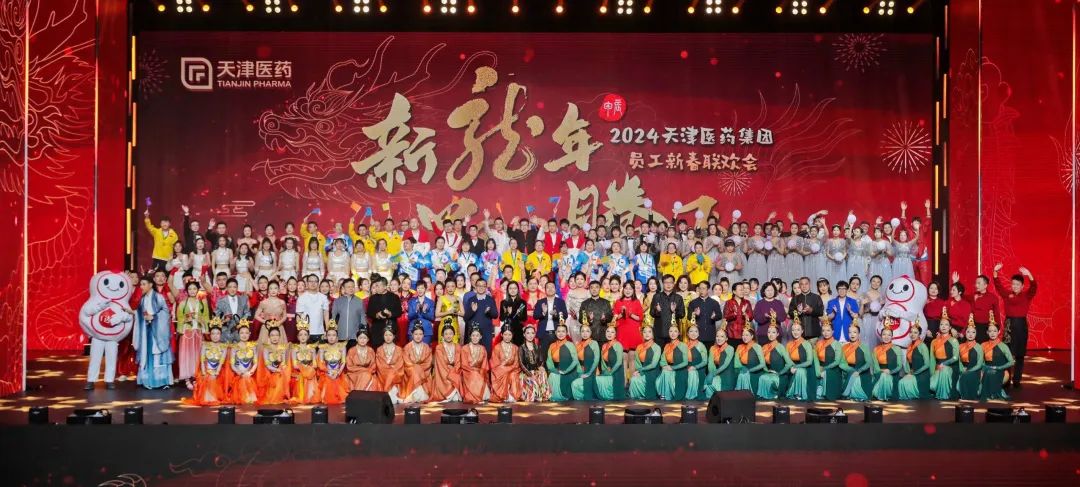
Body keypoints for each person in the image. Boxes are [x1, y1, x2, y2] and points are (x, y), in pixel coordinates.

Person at [993, 264, 1035, 388]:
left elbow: (1034, 287)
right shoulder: (1007, 294)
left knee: (1020, 354)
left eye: (1017, 284)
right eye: (1013, 284)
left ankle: (1017, 379)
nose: (1015, 286)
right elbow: (998, 285)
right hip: (1009, 325)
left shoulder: (1026, 295)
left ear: (1022, 286)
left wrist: (1029, 274)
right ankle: (1006, 379)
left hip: (1021, 325)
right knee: (1007, 353)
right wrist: (995, 271)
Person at [134, 276, 174, 389]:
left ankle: (161, 381)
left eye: (144, 284)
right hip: (146, 331)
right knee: (147, 354)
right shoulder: (142, 299)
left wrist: (153, 317)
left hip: (157, 331)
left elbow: (166, 312)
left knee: (157, 355)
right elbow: (139, 313)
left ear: (151, 285)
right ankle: (147, 380)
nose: (141, 287)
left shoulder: (158, 297)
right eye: (141, 284)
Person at [183, 322, 229, 406]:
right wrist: (204, 372)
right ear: (210, 335)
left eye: (218, 333)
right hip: (206, 370)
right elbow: (202, 360)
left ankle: (214, 397)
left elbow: (221, 362)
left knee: (214, 378)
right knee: (207, 378)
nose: (215, 336)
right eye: (213, 333)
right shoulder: (205, 345)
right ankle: (207, 397)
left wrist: (216, 372)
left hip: (218, 372)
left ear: (220, 335)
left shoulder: (224, 347)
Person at [176, 281, 209, 389]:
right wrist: (187, 319)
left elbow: (206, 317)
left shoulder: (202, 303)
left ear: (198, 290)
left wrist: (204, 326)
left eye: (194, 289)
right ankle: (187, 379)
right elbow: (180, 317)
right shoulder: (183, 303)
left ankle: (196, 377)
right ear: (187, 291)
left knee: (198, 354)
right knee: (186, 355)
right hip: (187, 332)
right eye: (190, 289)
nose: (192, 291)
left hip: (198, 332)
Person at [757, 320, 794, 400]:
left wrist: (780, 373)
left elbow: (789, 363)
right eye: (769, 332)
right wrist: (767, 371)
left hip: (780, 375)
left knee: (768, 379)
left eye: (773, 332)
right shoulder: (764, 347)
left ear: (777, 334)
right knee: (762, 377)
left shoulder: (780, 347)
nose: (770, 334)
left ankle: (774, 393)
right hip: (770, 373)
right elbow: (762, 363)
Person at [899, 322, 934, 400]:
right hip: (913, 372)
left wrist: (915, 373)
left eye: (915, 332)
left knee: (906, 383)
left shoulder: (922, 346)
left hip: (922, 374)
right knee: (901, 382)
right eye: (911, 332)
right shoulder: (909, 346)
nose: (912, 334)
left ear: (919, 334)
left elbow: (927, 364)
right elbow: (907, 362)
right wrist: (908, 372)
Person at [870, 327, 907, 401]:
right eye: (884, 334)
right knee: (883, 376)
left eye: (889, 335)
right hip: (879, 373)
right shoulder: (876, 349)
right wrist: (882, 371)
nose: (886, 337)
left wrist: (890, 371)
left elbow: (899, 366)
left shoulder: (897, 349)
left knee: (885, 376)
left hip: (892, 374)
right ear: (881, 336)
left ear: (892, 337)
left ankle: (881, 395)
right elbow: (875, 367)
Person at [258, 324, 292, 405]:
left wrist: (282, 368)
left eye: (276, 335)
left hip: (280, 372)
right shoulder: (266, 349)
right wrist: (277, 370)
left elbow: (283, 362)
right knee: (277, 376)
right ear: (269, 337)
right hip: (269, 373)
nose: (274, 337)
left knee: (282, 374)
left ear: (279, 336)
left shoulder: (282, 348)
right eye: (272, 335)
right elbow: (267, 365)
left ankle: (281, 395)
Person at [981, 322, 1015, 400]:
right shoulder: (983, 345)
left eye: (995, 331)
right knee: (987, 372)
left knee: (991, 372)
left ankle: (996, 393)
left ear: (999, 332)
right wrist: (984, 367)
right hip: (986, 368)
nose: (992, 333)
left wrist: (999, 368)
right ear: (987, 332)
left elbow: (1011, 362)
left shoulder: (1003, 346)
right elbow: (980, 361)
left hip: (1000, 370)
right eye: (990, 331)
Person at [930, 312, 960, 400]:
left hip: (950, 367)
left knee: (944, 371)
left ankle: (944, 395)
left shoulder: (953, 340)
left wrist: (945, 364)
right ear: (939, 326)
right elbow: (932, 359)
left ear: (950, 327)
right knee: (931, 385)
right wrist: (932, 373)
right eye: (941, 324)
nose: (944, 326)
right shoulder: (934, 341)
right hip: (938, 367)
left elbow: (955, 357)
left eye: (946, 325)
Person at [545, 322, 578, 402]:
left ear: (566, 333)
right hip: (557, 371)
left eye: (563, 331)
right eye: (559, 331)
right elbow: (549, 361)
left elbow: (575, 361)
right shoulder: (552, 345)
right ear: (555, 332)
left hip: (569, 372)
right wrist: (555, 371)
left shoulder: (570, 344)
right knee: (552, 376)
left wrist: (565, 371)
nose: (561, 334)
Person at [228, 321, 260, 404]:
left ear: (249, 334)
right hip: (239, 375)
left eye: (246, 333)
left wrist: (250, 372)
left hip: (249, 375)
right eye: (242, 333)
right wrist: (240, 373)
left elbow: (255, 362)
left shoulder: (253, 346)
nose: (244, 335)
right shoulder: (234, 347)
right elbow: (232, 364)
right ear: (238, 334)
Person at [399, 324, 433, 403]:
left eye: (420, 334)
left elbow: (428, 363)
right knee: (415, 370)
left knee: (417, 370)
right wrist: (416, 368)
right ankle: (414, 394)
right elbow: (406, 363)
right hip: (411, 372)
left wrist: (418, 369)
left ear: (423, 335)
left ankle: (417, 395)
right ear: (412, 334)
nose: (418, 336)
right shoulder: (407, 347)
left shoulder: (426, 347)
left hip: (424, 373)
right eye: (416, 334)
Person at [784, 319, 816, 401]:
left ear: (802, 331)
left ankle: (800, 394)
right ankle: (792, 393)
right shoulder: (788, 344)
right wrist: (791, 367)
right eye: (793, 330)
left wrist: (796, 366)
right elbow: (787, 360)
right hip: (791, 368)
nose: (795, 332)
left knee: (800, 371)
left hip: (806, 368)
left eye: (798, 330)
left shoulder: (806, 344)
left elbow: (809, 362)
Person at [430, 324, 464, 402]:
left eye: (450, 333)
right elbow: (440, 365)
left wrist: (454, 370)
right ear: (442, 335)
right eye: (446, 334)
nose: (448, 336)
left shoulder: (458, 346)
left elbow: (459, 362)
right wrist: (450, 373)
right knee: (451, 378)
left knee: (458, 377)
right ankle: (446, 393)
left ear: (454, 334)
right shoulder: (439, 347)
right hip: (443, 373)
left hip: (455, 371)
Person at [839, 324, 872, 401]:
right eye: (850, 332)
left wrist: (859, 371)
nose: (852, 334)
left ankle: (846, 393)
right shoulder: (844, 347)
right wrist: (850, 370)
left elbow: (868, 363)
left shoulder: (864, 347)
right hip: (847, 371)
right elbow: (841, 363)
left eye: (854, 332)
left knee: (856, 379)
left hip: (861, 372)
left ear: (859, 334)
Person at [366, 278, 402, 348]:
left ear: (385, 286)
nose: (376, 288)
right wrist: (377, 315)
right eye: (375, 286)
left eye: (378, 286)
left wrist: (390, 314)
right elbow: (369, 313)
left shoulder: (394, 297)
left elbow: (399, 312)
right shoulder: (372, 298)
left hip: (391, 328)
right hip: (377, 329)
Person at [649, 274, 685, 345]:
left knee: (673, 352)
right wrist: (657, 311)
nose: (668, 285)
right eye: (666, 282)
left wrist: (674, 311)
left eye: (670, 282)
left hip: (673, 333)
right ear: (662, 283)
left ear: (673, 284)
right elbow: (651, 313)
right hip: (660, 332)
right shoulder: (656, 296)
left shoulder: (678, 298)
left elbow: (682, 314)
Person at [463, 279, 499, 350]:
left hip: (486, 332)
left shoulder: (490, 299)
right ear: (475, 287)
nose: (481, 287)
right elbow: (465, 318)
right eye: (479, 285)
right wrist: (472, 310)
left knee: (487, 351)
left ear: (486, 287)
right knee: (473, 352)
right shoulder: (471, 300)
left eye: (483, 286)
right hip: (474, 333)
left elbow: (495, 315)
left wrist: (489, 311)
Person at [490, 324, 522, 403]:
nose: (507, 337)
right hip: (500, 372)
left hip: (513, 370)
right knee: (505, 374)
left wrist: (508, 369)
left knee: (513, 375)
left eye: (509, 335)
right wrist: (504, 369)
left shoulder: (515, 348)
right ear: (501, 335)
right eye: (505, 334)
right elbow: (494, 364)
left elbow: (517, 364)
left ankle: (512, 396)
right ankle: (502, 395)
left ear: (512, 335)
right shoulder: (497, 347)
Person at [629, 325, 662, 400]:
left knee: (642, 378)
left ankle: (648, 395)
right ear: (642, 334)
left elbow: (653, 365)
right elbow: (637, 363)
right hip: (642, 370)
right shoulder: (639, 347)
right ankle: (637, 397)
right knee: (634, 379)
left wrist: (641, 371)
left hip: (653, 371)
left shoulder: (657, 347)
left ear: (653, 334)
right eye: (644, 332)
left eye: (649, 332)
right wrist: (638, 371)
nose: (647, 334)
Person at [290, 321, 320, 404]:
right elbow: (294, 365)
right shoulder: (295, 349)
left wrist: (308, 369)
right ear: (297, 337)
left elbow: (315, 364)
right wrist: (304, 369)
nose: (303, 337)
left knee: (310, 376)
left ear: (308, 336)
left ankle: (310, 396)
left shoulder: (312, 349)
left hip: (310, 374)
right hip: (299, 373)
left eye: (305, 334)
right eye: (300, 335)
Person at [461, 325, 492, 403]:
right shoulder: (464, 348)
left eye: (477, 335)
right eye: (473, 335)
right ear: (470, 336)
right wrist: (473, 370)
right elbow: (463, 364)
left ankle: (479, 395)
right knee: (474, 374)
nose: (475, 338)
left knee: (478, 375)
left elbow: (485, 365)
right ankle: (475, 396)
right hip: (467, 372)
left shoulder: (483, 348)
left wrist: (480, 372)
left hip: (480, 372)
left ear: (481, 337)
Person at [815, 318, 844, 400]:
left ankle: (824, 393)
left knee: (826, 373)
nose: (826, 333)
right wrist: (818, 368)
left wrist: (824, 368)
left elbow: (837, 362)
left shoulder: (836, 344)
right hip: (820, 367)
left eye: (828, 330)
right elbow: (815, 358)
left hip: (833, 369)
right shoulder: (818, 343)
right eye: (823, 330)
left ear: (833, 331)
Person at [534, 281, 568, 352]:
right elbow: (535, 316)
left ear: (555, 289)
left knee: (557, 354)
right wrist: (543, 313)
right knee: (543, 355)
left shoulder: (561, 302)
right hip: (544, 334)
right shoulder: (540, 302)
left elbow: (565, 315)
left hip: (557, 333)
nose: (550, 289)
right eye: (548, 287)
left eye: (552, 287)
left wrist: (556, 314)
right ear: (545, 290)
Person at [374, 326, 405, 402]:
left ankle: (389, 394)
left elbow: (400, 364)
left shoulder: (399, 349)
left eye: (390, 335)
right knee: (390, 374)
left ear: (394, 336)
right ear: (383, 336)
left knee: (392, 374)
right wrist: (389, 369)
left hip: (396, 373)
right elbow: (379, 364)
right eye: (386, 335)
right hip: (383, 373)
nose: (388, 337)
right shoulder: (379, 349)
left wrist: (393, 370)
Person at [570, 324, 601, 400]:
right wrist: (580, 373)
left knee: (576, 383)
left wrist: (589, 373)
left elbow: (596, 360)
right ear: (580, 333)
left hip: (593, 372)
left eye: (587, 331)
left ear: (591, 332)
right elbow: (576, 362)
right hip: (581, 371)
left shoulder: (594, 343)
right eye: (583, 331)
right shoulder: (578, 345)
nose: (585, 333)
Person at [215, 278, 251, 343]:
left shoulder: (243, 299)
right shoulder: (221, 300)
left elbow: (247, 313)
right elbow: (216, 315)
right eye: (230, 287)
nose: (232, 289)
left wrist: (241, 322)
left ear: (237, 288)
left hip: (240, 332)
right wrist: (224, 319)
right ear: (226, 288)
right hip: (225, 332)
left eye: (234, 287)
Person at [595, 324, 626, 401]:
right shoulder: (604, 346)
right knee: (596, 379)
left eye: (612, 332)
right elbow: (602, 363)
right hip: (607, 372)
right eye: (608, 331)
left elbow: (619, 362)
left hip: (616, 374)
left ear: (615, 335)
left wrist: (610, 372)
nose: (609, 334)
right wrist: (604, 371)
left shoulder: (618, 345)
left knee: (600, 380)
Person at [332, 279, 366, 346]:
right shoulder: (337, 301)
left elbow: (363, 319)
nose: (351, 289)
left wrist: (363, 333)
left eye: (352, 286)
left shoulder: (359, 301)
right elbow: (333, 318)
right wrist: (333, 334)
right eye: (348, 287)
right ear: (343, 288)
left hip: (355, 337)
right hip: (341, 336)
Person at [703, 328, 736, 396]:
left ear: (726, 338)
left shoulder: (730, 348)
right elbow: (710, 364)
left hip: (727, 374)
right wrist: (711, 373)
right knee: (709, 387)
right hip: (716, 372)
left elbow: (725, 365)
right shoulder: (712, 348)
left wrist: (713, 374)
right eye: (717, 336)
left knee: (722, 394)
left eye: (722, 336)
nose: (719, 338)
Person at [734, 327, 767, 396]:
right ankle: (740, 395)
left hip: (755, 372)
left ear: (752, 336)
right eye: (743, 335)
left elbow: (762, 364)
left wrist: (749, 370)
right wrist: (742, 368)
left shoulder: (757, 347)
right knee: (741, 375)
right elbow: (736, 363)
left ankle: (746, 395)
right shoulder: (739, 346)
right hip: (743, 370)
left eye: (747, 335)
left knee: (744, 376)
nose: (744, 337)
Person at [579, 280, 614, 344]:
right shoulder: (584, 303)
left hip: (603, 335)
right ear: (589, 289)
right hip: (588, 336)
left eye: (596, 287)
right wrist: (589, 319)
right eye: (592, 287)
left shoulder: (606, 302)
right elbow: (580, 319)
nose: (594, 289)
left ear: (600, 289)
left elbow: (610, 318)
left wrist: (604, 319)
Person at [688, 281, 721, 349]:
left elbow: (720, 316)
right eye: (700, 288)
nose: (701, 290)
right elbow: (689, 317)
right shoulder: (693, 302)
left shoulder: (714, 303)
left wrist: (714, 317)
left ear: (708, 290)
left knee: (709, 353)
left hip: (710, 334)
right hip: (697, 335)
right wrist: (695, 314)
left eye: (703, 288)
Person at [956, 323, 984, 400]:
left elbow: (979, 364)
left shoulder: (979, 347)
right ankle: (964, 396)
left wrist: (969, 370)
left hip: (975, 371)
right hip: (963, 370)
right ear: (965, 333)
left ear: (976, 334)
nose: (970, 334)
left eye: (973, 332)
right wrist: (962, 369)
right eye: (968, 332)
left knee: (966, 376)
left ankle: (966, 397)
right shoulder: (960, 346)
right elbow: (958, 361)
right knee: (962, 377)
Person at [499, 281, 529, 346]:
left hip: (519, 330)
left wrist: (518, 314)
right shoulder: (504, 302)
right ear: (508, 290)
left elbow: (524, 318)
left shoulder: (522, 302)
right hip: (507, 329)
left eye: (515, 288)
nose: (513, 290)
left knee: (518, 349)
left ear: (518, 290)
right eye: (510, 288)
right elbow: (501, 318)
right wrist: (507, 313)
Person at [684, 324, 709, 400]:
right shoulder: (684, 345)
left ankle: (691, 394)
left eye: (696, 331)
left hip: (698, 370)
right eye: (691, 331)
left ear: (698, 334)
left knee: (692, 373)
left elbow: (705, 361)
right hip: (686, 368)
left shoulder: (701, 345)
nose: (693, 333)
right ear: (687, 334)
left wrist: (695, 367)